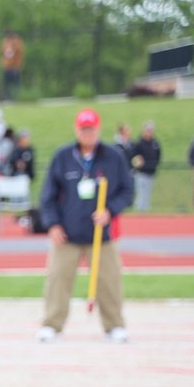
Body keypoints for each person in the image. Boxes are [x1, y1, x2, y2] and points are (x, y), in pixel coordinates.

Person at [36, 108, 134, 344]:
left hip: (102, 235)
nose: (87, 133)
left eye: (91, 129)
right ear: (76, 129)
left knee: (109, 281)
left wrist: (110, 210)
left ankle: (114, 326)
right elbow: (47, 196)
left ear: (98, 129)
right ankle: (52, 325)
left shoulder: (113, 156)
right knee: (58, 279)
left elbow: (127, 191)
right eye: (83, 129)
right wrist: (53, 225)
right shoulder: (63, 156)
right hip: (68, 233)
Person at [131, 121, 161, 211]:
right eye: (147, 130)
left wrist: (155, 165)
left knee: (147, 193)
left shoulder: (155, 143)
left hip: (151, 172)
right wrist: (138, 162)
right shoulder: (139, 143)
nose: (149, 132)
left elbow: (159, 155)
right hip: (141, 173)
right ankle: (139, 211)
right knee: (141, 193)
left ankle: (146, 211)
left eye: (151, 130)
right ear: (144, 131)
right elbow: (133, 156)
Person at [0, 30, 24, 101]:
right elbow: (1, 53)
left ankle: (16, 97)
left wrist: (18, 65)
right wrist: (3, 63)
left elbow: (20, 54)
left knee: (16, 84)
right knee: (6, 84)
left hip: (15, 67)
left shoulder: (17, 42)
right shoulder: (4, 42)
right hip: (6, 67)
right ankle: (6, 98)